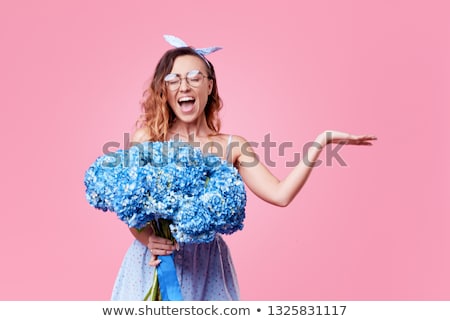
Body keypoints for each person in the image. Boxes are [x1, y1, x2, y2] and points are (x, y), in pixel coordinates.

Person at [110, 36, 377, 301]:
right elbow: (129, 203)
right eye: (173, 79)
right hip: (156, 263)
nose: (184, 86)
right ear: (163, 90)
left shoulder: (232, 147)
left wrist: (322, 141)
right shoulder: (148, 138)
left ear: (210, 86)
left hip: (207, 266)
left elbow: (280, 195)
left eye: (194, 77)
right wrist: (147, 239)